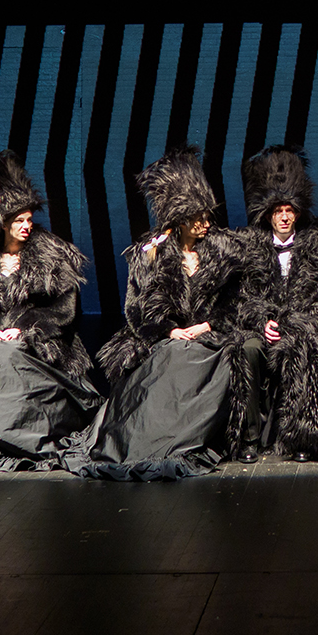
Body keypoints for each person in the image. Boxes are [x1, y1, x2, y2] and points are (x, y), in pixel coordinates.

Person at [78, 145, 246, 480]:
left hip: (210, 338)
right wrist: (169, 329)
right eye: (198, 219)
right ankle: (152, 439)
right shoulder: (151, 253)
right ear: (181, 220)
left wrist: (207, 325)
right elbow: (136, 309)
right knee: (167, 360)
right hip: (166, 338)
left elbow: (237, 302)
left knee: (201, 358)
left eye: (207, 217)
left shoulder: (224, 251)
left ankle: (185, 438)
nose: (206, 224)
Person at [0, 150, 101, 471]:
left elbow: (65, 310)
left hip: (40, 344)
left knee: (12, 354)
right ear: (2, 222)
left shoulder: (51, 254)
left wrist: (25, 329)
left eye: (29, 219)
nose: (26, 226)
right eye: (19, 220)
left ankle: (24, 436)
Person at [231, 145, 318, 462]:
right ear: (268, 214)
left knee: (308, 347)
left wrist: (299, 322)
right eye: (278, 211)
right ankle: (249, 438)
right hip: (265, 329)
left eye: (289, 211)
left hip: (304, 327)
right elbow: (242, 296)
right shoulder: (249, 245)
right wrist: (262, 322)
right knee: (247, 350)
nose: (284, 217)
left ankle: (303, 438)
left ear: (298, 213)